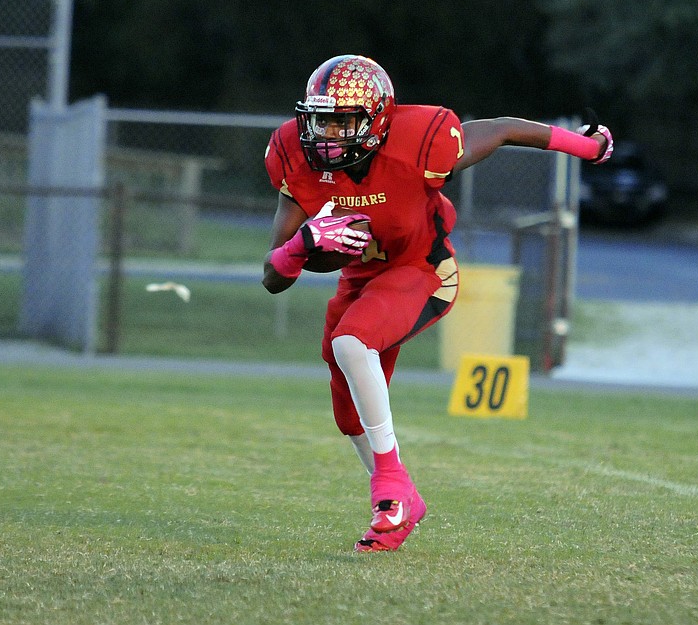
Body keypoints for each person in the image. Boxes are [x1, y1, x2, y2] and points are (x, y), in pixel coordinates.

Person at [262, 54, 612, 552]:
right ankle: (402, 505)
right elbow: (274, 275)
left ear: (378, 120)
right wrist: (302, 247)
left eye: (343, 120)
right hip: (361, 280)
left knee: (350, 340)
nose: (327, 134)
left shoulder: (419, 141)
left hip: (423, 270)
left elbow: (503, 129)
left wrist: (589, 147)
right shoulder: (296, 159)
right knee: (348, 412)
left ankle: (387, 491)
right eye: (321, 119)